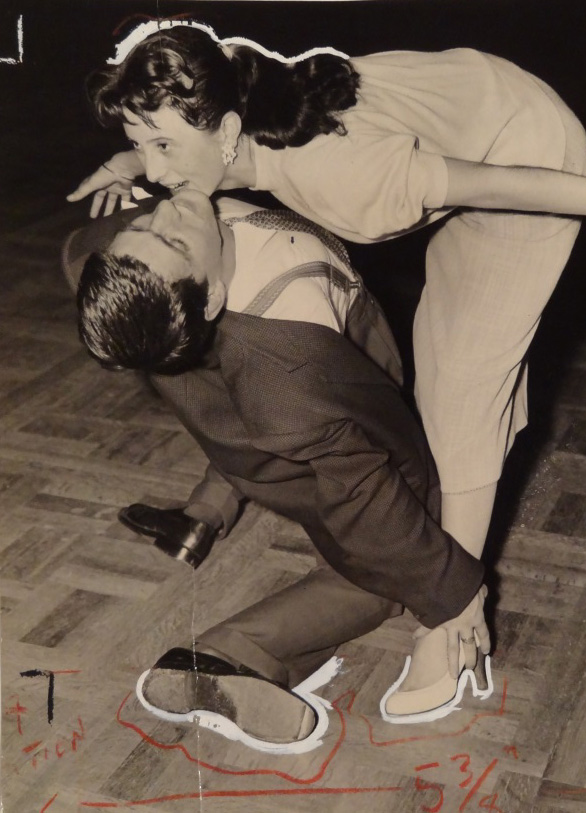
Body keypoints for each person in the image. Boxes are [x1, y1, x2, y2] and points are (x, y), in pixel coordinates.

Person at [67, 20, 586, 717]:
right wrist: (139, 155)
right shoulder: (231, 115)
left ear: (225, 132)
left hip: (521, 147)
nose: (154, 174)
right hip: (447, 110)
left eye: (164, 147)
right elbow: (187, 138)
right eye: (141, 144)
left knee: (459, 387)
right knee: (253, 357)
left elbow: (508, 184)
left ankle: (453, 624)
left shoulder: (345, 176)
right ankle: (219, 511)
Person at [64, 188, 491, 744]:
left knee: (242, 406)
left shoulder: (98, 254)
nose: (166, 211)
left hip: (277, 381)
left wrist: (140, 161)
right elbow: (365, 496)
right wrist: (454, 590)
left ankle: (206, 514)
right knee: (385, 562)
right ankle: (221, 657)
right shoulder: (290, 369)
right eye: (167, 237)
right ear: (214, 296)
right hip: (322, 378)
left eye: (144, 223)